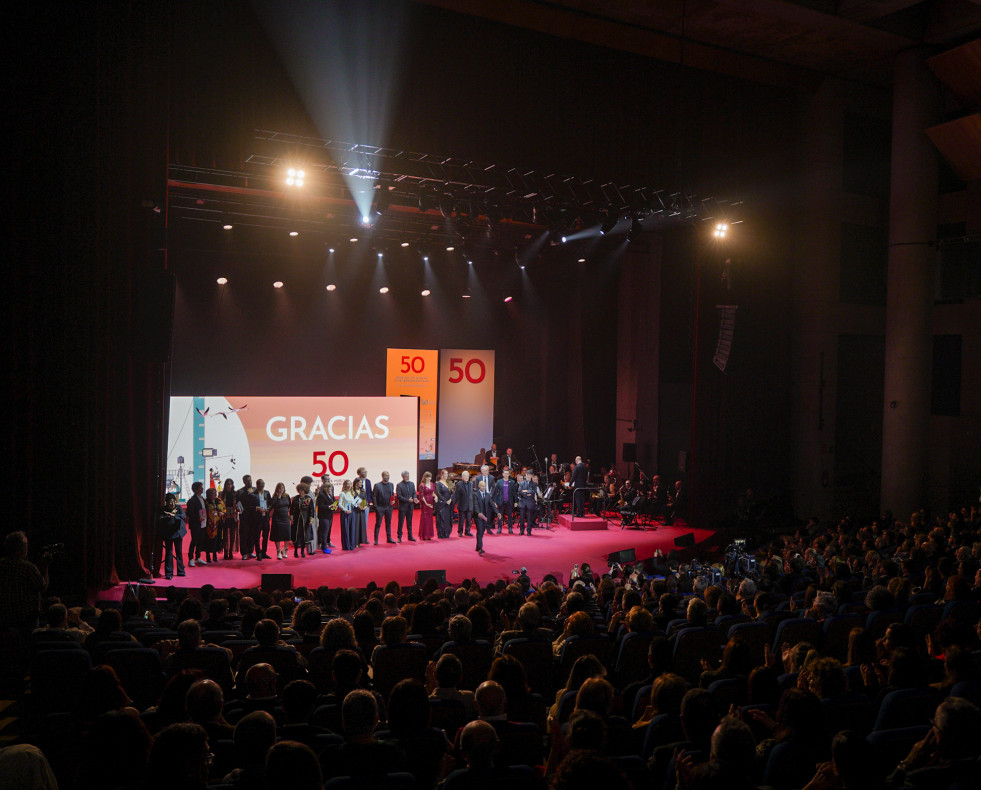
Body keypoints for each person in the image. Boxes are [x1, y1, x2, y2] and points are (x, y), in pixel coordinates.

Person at [0, 530, 49, 637]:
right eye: (25, 545)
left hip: (4, 615)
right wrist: (45, 567)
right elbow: (42, 586)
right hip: (26, 617)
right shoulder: (27, 567)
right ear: (20, 548)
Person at [156, 493, 187, 580]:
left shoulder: (178, 508)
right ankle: (169, 573)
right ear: (166, 503)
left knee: (179, 552)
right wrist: (167, 516)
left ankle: (181, 571)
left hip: (178, 533)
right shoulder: (163, 509)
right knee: (169, 553)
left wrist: (175, 516)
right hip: (168, 534)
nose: (172, 504)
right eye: (170, 502)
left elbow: (183, 516)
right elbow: (159, 519)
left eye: (173, 502)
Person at [236, 475, 260, 560]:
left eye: (250, 480)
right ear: (244, 482)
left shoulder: (255, 490)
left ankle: (251, 551)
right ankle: (244, 553)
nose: (249, 482)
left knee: (252, 534)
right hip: (244, 516)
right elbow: (237, 503)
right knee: (244, 535)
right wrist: (238, 508)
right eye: (247, 481)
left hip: (254, 516)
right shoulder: (240, 492)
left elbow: (259, 501)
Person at [472, 479, 498, 555]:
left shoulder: (487, 495)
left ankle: (477, 546)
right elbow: (475, 505)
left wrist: (497, 512)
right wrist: (478, 512)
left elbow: (492, 504)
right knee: (480, 531)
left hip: (485, 517)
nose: (483, 487)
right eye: (482, 486)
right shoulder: (475, 494)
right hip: (478, 516)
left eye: (484, 486)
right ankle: (480, 548)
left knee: (482, 531)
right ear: (479, 486)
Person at [290, 482, 316, 558]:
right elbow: (292, 509)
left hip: (305, 520)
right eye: (299, 490)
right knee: (296, 536)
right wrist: (291, 516)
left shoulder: (308, 498)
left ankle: (302, 551)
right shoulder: (295, 498)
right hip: (297, 520)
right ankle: (295, 551)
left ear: (305, 490)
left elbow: (311, 510)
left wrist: (311, 519)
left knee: (304, 536)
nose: (300, 491)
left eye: (302, 490)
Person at [186, 481, 208, 567]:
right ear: (196, 489)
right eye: (200, 488)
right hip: (196, 524)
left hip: (203, 522)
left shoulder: (202, 498)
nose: (202, 489)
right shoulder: (192, 500)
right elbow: (190, 513)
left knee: (201, 540)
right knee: (194, 541)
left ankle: (198, 557)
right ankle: (190, 558)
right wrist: (198, 519)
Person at [268, 483, 292, 560]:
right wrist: (278, 498)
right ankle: (278, 551)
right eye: (279, 488)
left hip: (285, 518)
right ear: (277, 489)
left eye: (282, 488)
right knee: (277, 536)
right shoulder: (274, 497)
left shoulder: (287, 496)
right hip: (277, 519)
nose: (281, 489)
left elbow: (289, 505)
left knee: (287, 535)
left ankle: (284, 550)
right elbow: (274, 506)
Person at [372, 471, 396, 545]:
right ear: (382, 476)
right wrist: (376, 507)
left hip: (389, 507)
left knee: (388, 523)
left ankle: (389, 538)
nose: (387, 477)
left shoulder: (391, 485)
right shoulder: (377, 485)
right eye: (386, 475)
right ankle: (376, 540)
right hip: (380, 507)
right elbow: (374, 496)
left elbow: (392, 494)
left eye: (388, 475)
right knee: (378, 523)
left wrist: (393, 500)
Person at [203, 487, 224, 565]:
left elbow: (223, 510)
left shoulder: (219, 501)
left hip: (218, 523)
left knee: (217, 540)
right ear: (208, 494)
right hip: (208, 524)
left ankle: (215, 556)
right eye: (212, 493)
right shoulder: (205, 502)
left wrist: (222, 513)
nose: (214, 495)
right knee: (208, 541)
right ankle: (208, 556)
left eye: (215, 493)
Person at [493, 468, 518, 534]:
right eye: (505, 473)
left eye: (507, 473)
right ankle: (499, 528)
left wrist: (516, 501)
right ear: (503, 474)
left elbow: (515, 492)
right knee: (500, 515)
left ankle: (510, 528)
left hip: (509, 501)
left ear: (509, 474)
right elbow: (495, 492)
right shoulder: (499, 482)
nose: (506, 475)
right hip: (501, 501)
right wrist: (494, 501)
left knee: (510, 515)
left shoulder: (512, 482)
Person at [315, 475, 336, 552]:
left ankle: (325, 543)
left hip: (329, 515)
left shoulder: (330, 495)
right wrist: (329, 507)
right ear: (325, 489)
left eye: (331, 488)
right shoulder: (321, 496)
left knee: (327, 530)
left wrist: (334, 507)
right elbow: (320, 506)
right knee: (324, 531)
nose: (330, 490)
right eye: (329, 488)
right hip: (323, 516)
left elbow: (333, 503)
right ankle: (323, 547)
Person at [396, 471, 418, 542]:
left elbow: (414, 493)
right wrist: (407, 500)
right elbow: (399, 496)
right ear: (402, 476)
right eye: (406, 476)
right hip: (402, 507)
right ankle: (399, 537)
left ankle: (410, 536)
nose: (407, 477)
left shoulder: (412, 484)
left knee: (409, 522)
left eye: (408, 476)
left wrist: (415, 498)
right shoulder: (399, 485)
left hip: (410, 506)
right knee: (401, 522)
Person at [220, 478, 238, 560]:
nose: (229, 486)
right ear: (225, 485)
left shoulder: (236, 493)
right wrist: (224, 513)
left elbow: (239, 505)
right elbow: (219, 505)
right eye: (227, 484)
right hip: (224, 515)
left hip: (234, 515)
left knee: (232, 534)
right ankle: (225, 551)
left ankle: (231, 551)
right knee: (225, 535)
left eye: (230, 484)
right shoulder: (221, 494)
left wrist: (236, 512)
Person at [254, 478, 271, 560]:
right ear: (257, 485)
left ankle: (264, 552)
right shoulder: (253, 494)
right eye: (260, 483)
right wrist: (257, 508)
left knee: (265, 536)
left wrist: (269, 509)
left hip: (266, 517)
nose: (262, 485)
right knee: (257, 536)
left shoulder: (267, 493)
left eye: (263, 483)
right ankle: (258, 553)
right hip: (257, 518)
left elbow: (270, 503)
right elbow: (250, 506)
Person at [337, 480, 356, 551]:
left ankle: (351, 545)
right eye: (347, 484)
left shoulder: (352, 493)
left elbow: (353, 502)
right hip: (345, 513)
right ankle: (346, 546)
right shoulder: (342, 493)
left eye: (350, 484)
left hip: (352, 512)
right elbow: (339, 504)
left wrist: (357, 504)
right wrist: (345, 510)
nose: (348, 485)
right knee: (345, 530)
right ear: (344, 485)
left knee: (352, 529)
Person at [453, 470, 473, 537]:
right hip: (462, 504)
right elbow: (456, 495)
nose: (466, 477)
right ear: (462, 477)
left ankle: (467, 531)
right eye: (465, 476)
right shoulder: (459, 484)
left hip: (469, 505)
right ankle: (460, 532)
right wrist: (454, 503)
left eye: (467, 476)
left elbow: (471, 494)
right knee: (461, 520)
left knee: (468, 519)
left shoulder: (471, 484)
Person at [435, 469, 454, 538]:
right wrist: (445, 501)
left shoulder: (449, 483)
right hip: (442, 504)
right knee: (441, 519)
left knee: (448, 519)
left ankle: (447, 533)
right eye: (445, 474)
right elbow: (439, 494)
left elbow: (452, 492)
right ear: (442, 475)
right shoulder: (438, 484)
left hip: (449, 504)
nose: (446, 475)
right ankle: (441, 534)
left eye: (447, 474)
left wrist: (450, 500)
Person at [418, 471, 435, 541]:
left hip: (431, 502)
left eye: (430, 477)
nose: (429, 478)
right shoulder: (422, 485)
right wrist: (426, 503)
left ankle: (429, 535)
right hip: (425, 504)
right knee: (425, 519)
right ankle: (424, 535)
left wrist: (436, 497)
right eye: (427, 477)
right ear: (425, 477)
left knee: (430, 519)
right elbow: (421, 496)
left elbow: (433, 492)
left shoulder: (432, 484)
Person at [352, 478, 369, 546]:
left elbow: (365, 499)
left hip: (362, 511)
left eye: (361, 483)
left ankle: (360, 541)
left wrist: (366, 506)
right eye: (360, 482)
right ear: (356, 483)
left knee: (361, 525)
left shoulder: (363, 491)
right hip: (355, 511)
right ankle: (355, 542)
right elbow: (351, 500)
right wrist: (357, 505)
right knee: (356, 525)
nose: (361, 484)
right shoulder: (353, 491)